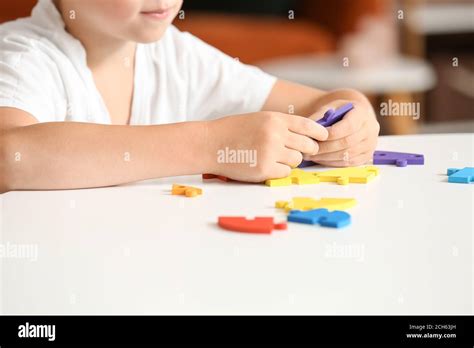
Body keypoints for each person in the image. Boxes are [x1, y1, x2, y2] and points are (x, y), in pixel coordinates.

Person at [0, 0, 380, 192]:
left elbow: (318, 103)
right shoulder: (24, 54)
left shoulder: (177, 54)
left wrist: (351, 114)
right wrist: (209, 144)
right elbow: (11, 155)